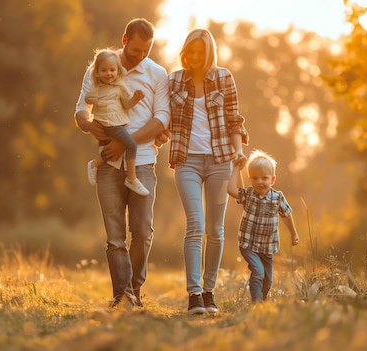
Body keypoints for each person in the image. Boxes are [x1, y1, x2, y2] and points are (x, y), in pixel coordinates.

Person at [74, 18, 170, 309]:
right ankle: (124, 296)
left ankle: (135, 289)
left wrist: (124, 140)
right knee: (115, 237)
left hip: (142, 163)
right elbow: (81, 109)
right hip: (108, 166)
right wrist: (89, 126)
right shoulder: (102, 67)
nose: (140, 56)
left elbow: (162, 118)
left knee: (142, 232)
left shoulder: (157, 73)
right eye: (136, 50)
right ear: (124, 40)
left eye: (146, 51)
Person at [168, 28, 248, 315]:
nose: (195, 57)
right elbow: (163, 117)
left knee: (215, 230)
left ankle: (209, 291)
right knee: (195, 226)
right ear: (185, 52)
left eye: (201, 52)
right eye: (191, 51)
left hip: (220, 162)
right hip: (186, 160)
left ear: (209, 52)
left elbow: (234, 119)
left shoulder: (224, 78)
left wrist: (238, 150)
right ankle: (193, 295)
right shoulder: (174, 80)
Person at [226, 149, 300, 303]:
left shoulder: (277, 197)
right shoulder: (248, 195)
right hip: (249, 244)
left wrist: (293, 233)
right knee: (258, 271)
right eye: (255, 178)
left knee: (268, 280)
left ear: (272, 179)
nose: (260, 181)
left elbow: (286, 214)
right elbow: (231, 189)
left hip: (267, 246)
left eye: (264, 178)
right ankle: (256, 301)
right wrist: (235, 169)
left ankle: (263, 300)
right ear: (250, 179)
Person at [85, 48, 149, 196]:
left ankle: (94, 164)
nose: (108, 73)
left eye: (112, 70)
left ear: (117, 70)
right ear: (97, 72)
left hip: (118, 123)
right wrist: (97, 96)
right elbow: (88, 98)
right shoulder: (97, 89)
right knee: (131, 144)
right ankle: (131, 178)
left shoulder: (120, 86)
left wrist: (136, 98)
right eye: (104, 70)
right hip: (107, 124)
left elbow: (127, 104)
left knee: (113, 152)